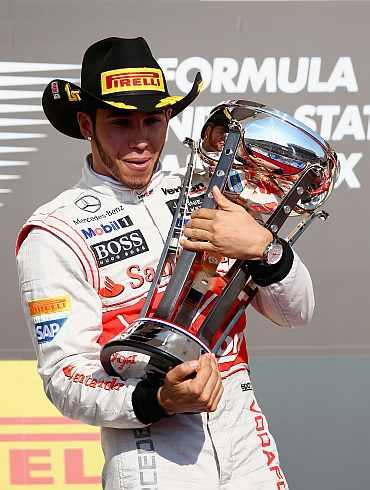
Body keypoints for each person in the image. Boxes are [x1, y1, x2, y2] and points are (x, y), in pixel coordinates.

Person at [16, 37, 314, 490]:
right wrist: (158, 397)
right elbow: (64, 376)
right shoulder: (55, 231)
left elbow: (296, 313)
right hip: (152, 459)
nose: (140, 140)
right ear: (85, 124)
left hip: (247, 444)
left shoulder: (208, 192)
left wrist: (264, 248)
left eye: (153, 121)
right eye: (120, 123)